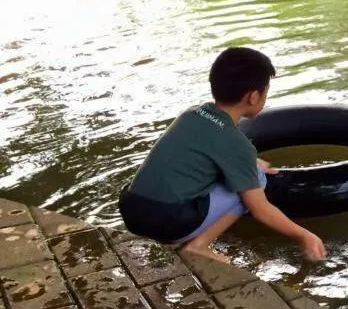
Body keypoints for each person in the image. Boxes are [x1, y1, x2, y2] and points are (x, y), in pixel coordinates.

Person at [119, 47, 326, 264]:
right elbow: (260, 209)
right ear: (253, 96)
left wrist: (249, 162)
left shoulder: (192, 114)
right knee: (258, 178)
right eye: (266, 90)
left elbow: (205, 148)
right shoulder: (238, 145)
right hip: (169, 222)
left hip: (132, 212)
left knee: (247, 171)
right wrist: (305, 235)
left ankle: (185, 237)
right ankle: (198, 246)